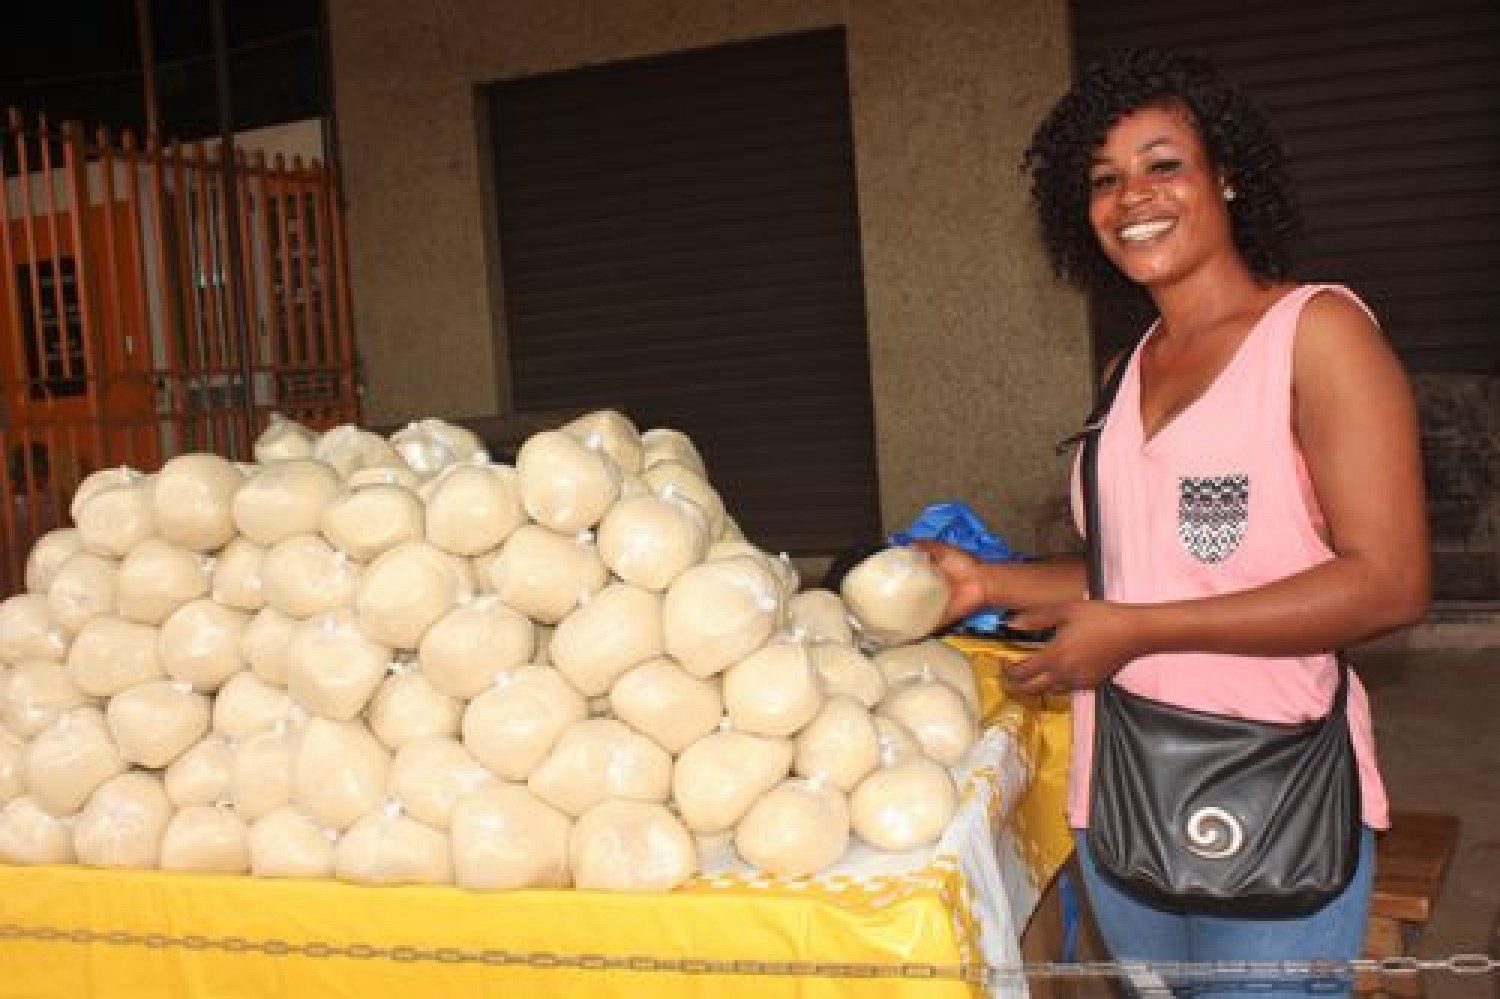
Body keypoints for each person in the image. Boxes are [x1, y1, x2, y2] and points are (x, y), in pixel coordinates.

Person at [916, 47, 1430, 996]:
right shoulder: (1128, 370)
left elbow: (1390, 579)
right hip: (1119, 789)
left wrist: (1139, 632)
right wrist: (984, 583)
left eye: (1163, 165)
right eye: (1103, 180)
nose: (1131, 197)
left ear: (1226, 175)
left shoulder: (1317, 335)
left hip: (1275, 790)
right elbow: (1135, 571)